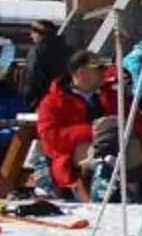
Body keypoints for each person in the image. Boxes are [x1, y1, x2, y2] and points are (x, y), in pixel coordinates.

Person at [36, 51, 112, 195]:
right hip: (71, 159)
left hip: (115, 147)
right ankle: (102, 191)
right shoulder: (53, 101)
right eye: (98, 69)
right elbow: (51, 137)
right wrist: (93, 130)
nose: (103, 73)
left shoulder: (111, 96)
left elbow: (136, 123)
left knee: (131, 148)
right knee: (99, 152)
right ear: (81, 73)